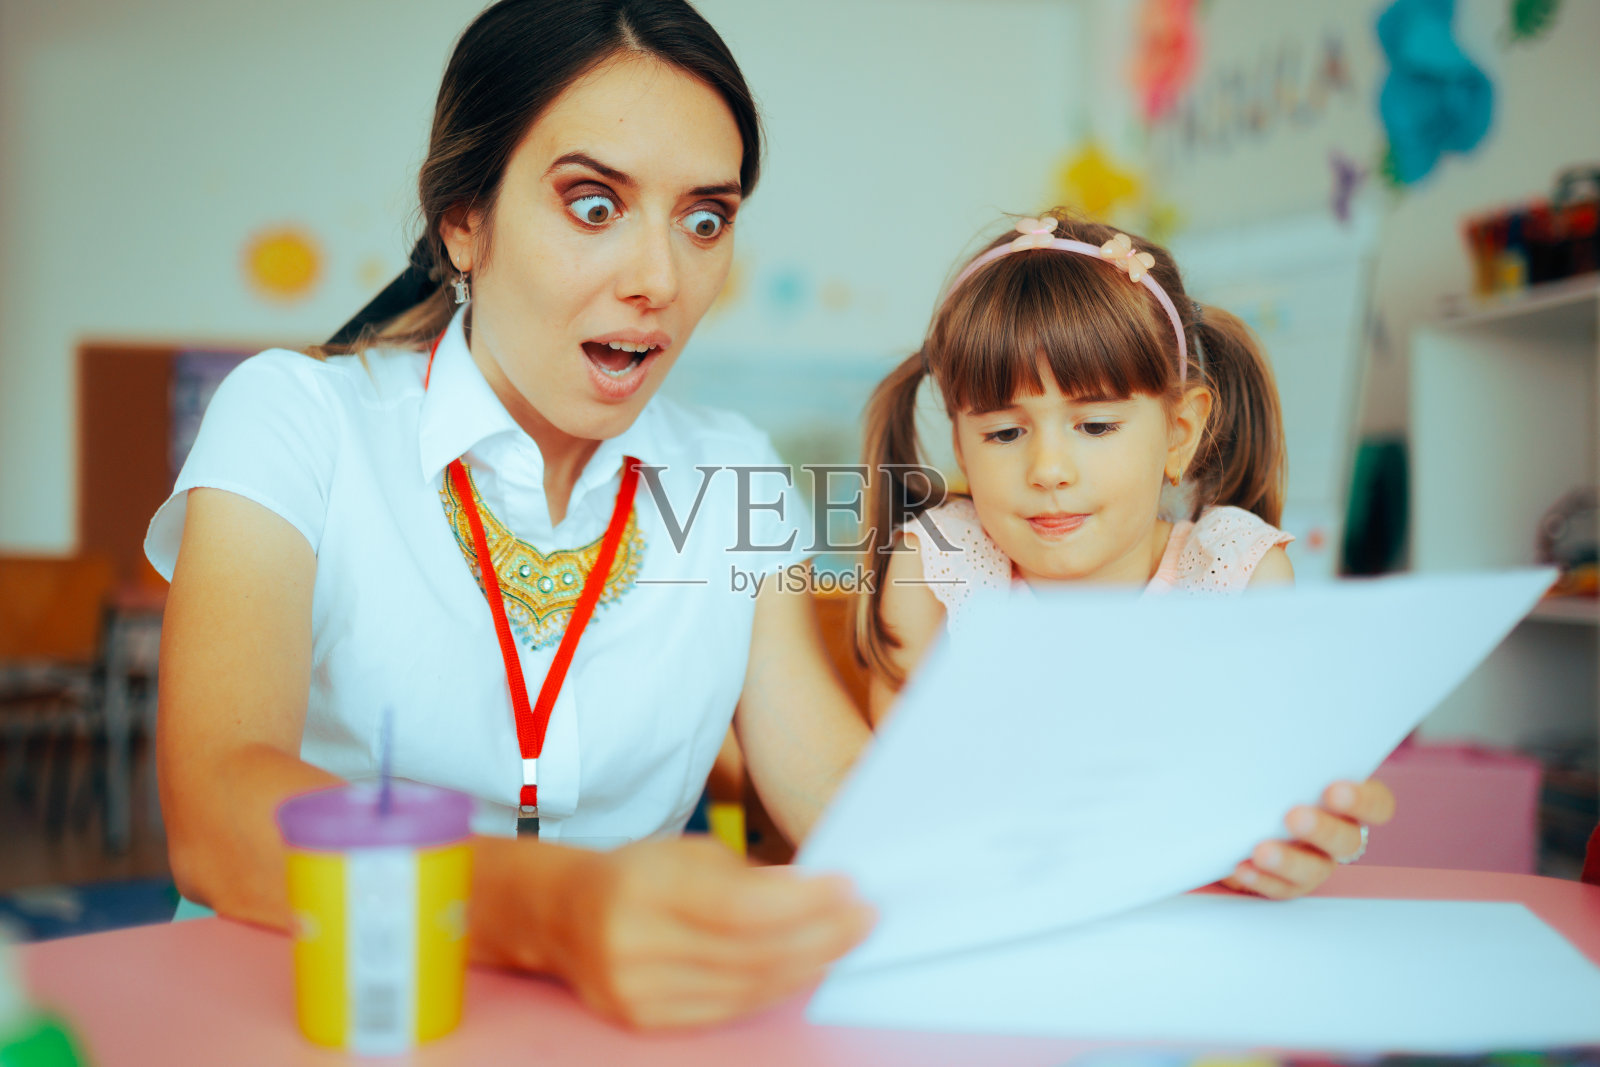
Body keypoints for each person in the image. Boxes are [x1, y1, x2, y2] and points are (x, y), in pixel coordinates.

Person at [148, 1, 1391, 1029]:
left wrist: (1204, 836)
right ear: (461, 220)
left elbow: (863, 807)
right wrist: (558, 906)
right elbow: (215, 805)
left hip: (605, 1029)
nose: (660, 277)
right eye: (593, 204)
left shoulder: (731, 474)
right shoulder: (294, 417)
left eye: (706, 217)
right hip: (296, 1009)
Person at [855, 210, 1394, 900]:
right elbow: (908, 797)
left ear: (1179, 431)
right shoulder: (940, 564)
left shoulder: (1234, 574)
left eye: (1096, 424)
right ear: (960, 447)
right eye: (1003, 433)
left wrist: (1293, 831)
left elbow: (1270, 791)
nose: (1049, 468)